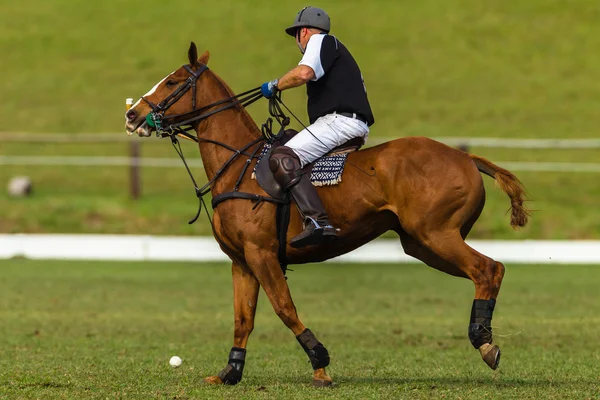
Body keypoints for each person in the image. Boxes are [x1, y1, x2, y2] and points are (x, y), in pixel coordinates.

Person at [261, 6, 375, 248]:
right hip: (348, 122)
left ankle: (317, 220)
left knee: (282, 156)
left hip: (340, 121)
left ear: (302, 32)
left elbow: (303, 73)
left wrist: (276, 85)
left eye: (295, 36)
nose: (297, 42)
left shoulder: (320, 41)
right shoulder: (333, 48)